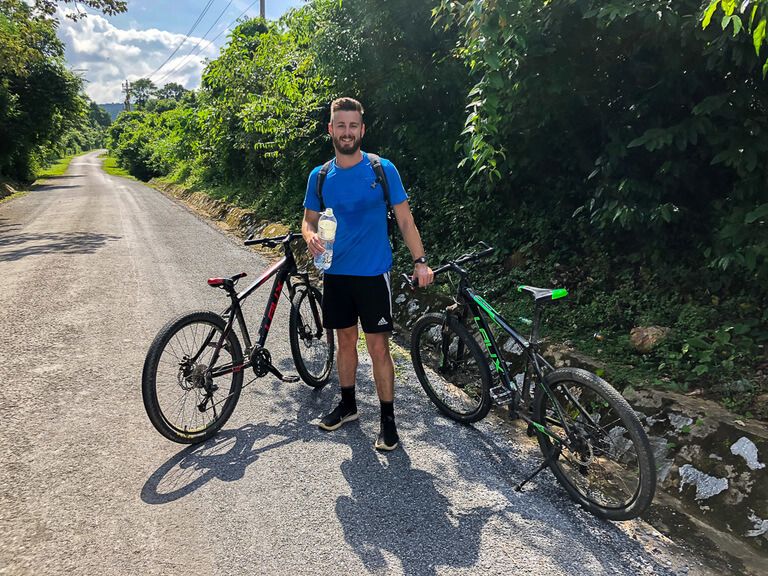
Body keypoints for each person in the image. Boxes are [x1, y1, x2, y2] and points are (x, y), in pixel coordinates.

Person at [302, 97, 434, 451]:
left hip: (374, 273)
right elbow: (309, 219)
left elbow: (405, 220)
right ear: (331, 129)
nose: (347, 132)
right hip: (336, 274)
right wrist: (310, 235)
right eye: (340, 125)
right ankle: (348, 405)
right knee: (345, 342)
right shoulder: (320, 176)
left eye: (353, 126)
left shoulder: (381, 169)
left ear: (362, 129)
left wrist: (420, 261)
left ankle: (388, 420)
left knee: (378, 347)